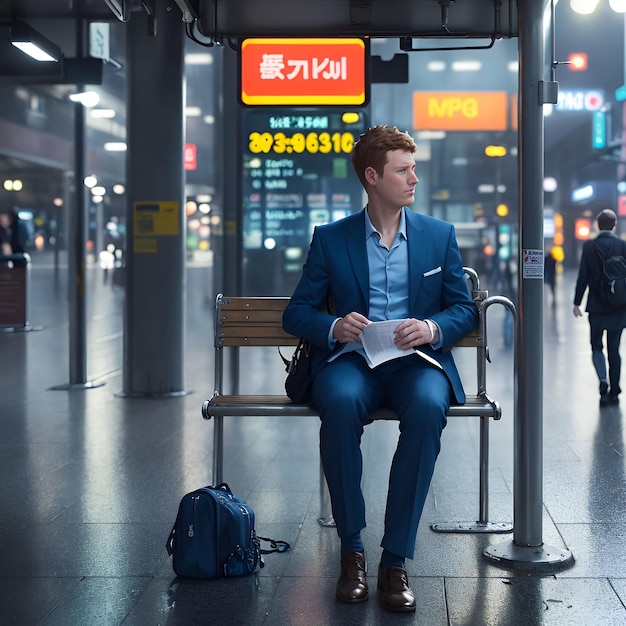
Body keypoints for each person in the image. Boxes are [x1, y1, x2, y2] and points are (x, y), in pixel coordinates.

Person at [282, 125, 479, 613]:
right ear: (372, 177)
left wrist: (432, 328)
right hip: (355, 362)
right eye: (403, 170)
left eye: (413, 168)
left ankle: (395, 559)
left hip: (416, 363)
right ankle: (352, 551)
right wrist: (335, 325)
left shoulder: (438, 236)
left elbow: (464, 308)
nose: (414, 178)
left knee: (431, 404)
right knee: (341, 401)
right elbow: (296, 313)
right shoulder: (332, 239)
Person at [573, 208, 626, 407]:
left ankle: (602, 380)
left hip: (595, 306)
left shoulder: (589, 247)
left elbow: (583, 277)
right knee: (615, 349)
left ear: (597, 225)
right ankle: (615, 389)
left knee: (596, 345)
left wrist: (577, 302)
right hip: (619, 306)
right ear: (614, 226)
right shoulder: (622, 245)